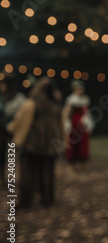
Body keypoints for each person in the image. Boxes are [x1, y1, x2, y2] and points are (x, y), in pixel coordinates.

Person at [7, 78, 63, 208]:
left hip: (32, 144)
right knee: (47, 172)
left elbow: (19, 121)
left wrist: (10, 129)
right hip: (50, 145)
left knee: (28, 173)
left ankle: (26, 201)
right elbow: (60, 126)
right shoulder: (55, 105)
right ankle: (47, 199)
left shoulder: (31, 103)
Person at [0, 73, 25, 185]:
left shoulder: (19, 99)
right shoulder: (1, 98)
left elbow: (22, 117)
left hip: (14, 133)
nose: (2, 87)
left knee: (13, 158)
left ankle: (11, 179)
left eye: (4, 84)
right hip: (1, 133)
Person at [63, 80, 93, 167]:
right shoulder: (71, 99)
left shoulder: (85, 98)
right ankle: (73, 158)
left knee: (82, 140)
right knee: (73, 139)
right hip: (74, 122)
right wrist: (66, 121)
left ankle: (82, 157)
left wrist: (88, 121)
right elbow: (67, 112)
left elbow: (86, 111)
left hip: (82, 122)